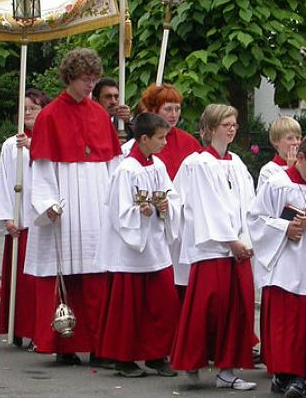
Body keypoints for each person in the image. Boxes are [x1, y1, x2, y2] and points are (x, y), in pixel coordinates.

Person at [29, 48, 121, 365]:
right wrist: (48, 204)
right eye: (85, 80)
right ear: (70, 77)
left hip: (96, 207)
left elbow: (112, 164)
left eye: (93, 80)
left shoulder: (99, 115)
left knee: (97, 281)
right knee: (63, 279)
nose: (90, 86)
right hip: (64, 209)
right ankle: (64, 346)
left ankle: (100, 347)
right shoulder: (50, 115)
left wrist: (115, 204)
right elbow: (41, 168)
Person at [170, 104, 258, 391]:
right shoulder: (198, 163)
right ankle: (192, 362)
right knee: (206, 308)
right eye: (225, 124)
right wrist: (229, 240)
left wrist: (246, 239)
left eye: (234, 123)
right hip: (212, 249)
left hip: (238, 249)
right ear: (209, 129)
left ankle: (227, 370)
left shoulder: (237, 164)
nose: (231, 128)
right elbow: (205, 206)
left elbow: (249, 204)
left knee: (237, 310)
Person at [247, 130, 306, 397]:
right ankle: (288, 376)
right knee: (288, 327)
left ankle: (298, 376)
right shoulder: (277, 183)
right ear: (301, 157)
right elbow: (255, 218)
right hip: (285, 266)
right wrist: (285, 228)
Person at [96, 112, 182, 378]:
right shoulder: (126, 170)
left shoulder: (156, 165)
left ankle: (158, 354)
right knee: (129, 308)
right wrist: (139, 213)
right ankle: (124, 358)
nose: (165, 143)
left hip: (155, 245)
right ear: (143, 139)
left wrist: (168, 206)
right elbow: (118, 212)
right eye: (160, 138)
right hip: (131, 251)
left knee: (162, 304)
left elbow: (171, 195)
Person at [123, 83, 202, 303]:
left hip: (181, 219)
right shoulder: (138, 148)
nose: (174, 114)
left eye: (177, 108)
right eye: (168, 109)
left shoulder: (189, 142)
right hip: (154, 223)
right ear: (153, 110)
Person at [0, 88, 51, 347]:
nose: (26, 114)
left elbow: (51, 173)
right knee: (21, 283)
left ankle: (40, 330)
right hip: (21, 220)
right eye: (23, 109)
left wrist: (34, 147)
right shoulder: (10, 145)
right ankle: (18, 326)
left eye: (32, 109)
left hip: (42, 222)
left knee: (39, 284)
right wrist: (6, 218)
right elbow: (4, 181)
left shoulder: (49, 140)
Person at [257, 116, 301, 189]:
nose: (296, 142)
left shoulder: (305, 167)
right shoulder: (268, 170)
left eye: (298, 138)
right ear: (276, 141)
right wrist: (291, 170)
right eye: (290, 138)